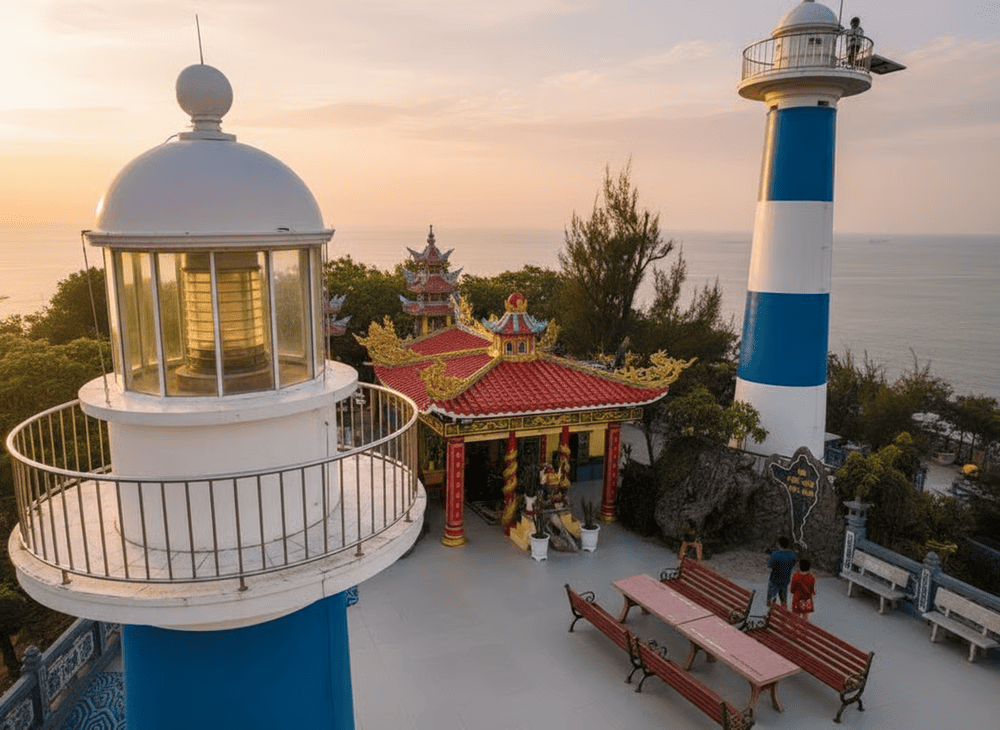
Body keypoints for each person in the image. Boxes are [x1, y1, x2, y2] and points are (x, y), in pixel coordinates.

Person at [766, 536, 798, 607]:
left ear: (778, 544)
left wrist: (770, 555)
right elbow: (793, 562)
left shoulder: (776, 554)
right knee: (783, 600)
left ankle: (769, 613)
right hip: (785, 580)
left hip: (774, 580)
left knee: (770, 599)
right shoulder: (791, 554)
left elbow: (769, 564)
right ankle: (783, 613)